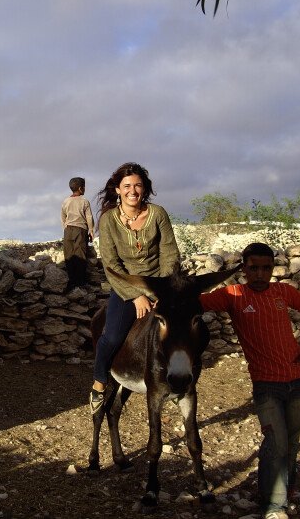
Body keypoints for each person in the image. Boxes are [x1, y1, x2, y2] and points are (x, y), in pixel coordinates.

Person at [199, 242, 300, 519]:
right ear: (244, 269)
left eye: (266, 268)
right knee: (276, 442)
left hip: (298, 380)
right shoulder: (233, 295)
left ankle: (281, 492)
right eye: (254, 268)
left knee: (290, 442)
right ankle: (274, 507)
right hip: (266, 386)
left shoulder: (282, 292)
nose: (260, 274)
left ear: (272, 270)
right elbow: (193, 301)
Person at [89, 162, 180, 414]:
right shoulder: (108, 220)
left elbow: (169, 254)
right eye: (127, 185)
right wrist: (136, 296)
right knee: (113, 335)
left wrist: (163, 291)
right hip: (125, 285)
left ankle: (180, 379)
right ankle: (99, 381)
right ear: (118, 189)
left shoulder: (158, 214)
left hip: (160, 284)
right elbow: (111, 264)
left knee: (186, 327)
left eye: (138, 185)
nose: (133, 190)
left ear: (145, 188)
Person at [61, 176, 94, 290]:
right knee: (80, 254)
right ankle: (80, 282)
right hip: (81, 230)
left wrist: (65, 226)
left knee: (69, 255)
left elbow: (63, 216)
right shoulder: (84, 201)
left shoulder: (66, 201)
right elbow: (89, 217)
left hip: (68, 230)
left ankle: (72, 280)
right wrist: (91, 230)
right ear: (81, 188)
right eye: (84, 187)